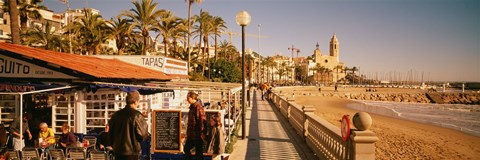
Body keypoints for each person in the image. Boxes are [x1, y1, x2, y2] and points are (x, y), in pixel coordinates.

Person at [109, 91, 149, 160]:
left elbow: (110, 133)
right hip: (132, 152)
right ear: (136, 102)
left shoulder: (116, 115)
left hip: (118, 152)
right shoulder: (137, 115)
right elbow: (142, 135)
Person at [184, 91, 206, 160]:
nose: (187, 99)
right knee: (186, 149)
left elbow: (202, 120)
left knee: (198, 153)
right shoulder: (191, 107)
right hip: (191, 135)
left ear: (192, 98)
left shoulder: (198, 107)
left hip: (197, 135)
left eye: (188, 98)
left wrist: (202, 134)